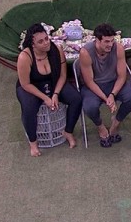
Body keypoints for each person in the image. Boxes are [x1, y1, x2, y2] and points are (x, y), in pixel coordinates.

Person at [16, 23, 82, 156]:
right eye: (40, 41)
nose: (46, 43)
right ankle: (33, 142)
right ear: (33, 45)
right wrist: (45, 98)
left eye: (46, 39)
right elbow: (25, 84)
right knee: (29, 108)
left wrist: (56, 94)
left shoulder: (57, 50)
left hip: (54, 82)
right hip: (31, 87)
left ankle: (68, 131)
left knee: (76, 99)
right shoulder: (25, 57)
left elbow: (63, 75)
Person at [78, 23, 131, 147]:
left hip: (114, 82)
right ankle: (100, 126)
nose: (110, 44)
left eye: (112, 41)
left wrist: (112, 94)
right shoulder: (85, 52)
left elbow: (122, 76)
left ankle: (115, 123)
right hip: (94, 86)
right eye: (106, 41)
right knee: (89, 107)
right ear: (97, 40)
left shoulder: (118, 48)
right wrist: (106, 98)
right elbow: (89, 82)